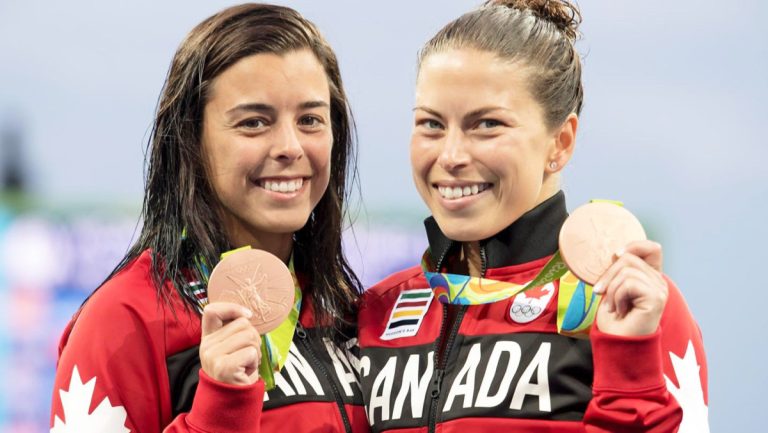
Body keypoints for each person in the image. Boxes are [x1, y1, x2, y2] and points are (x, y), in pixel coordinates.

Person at [357, 1, 709, 432]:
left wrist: (628, 359)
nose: (450, 156)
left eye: (486, 124)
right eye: (431, 124)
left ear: (560, 143)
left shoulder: (627, 306)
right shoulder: (376, 311)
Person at [49, 4, 369, 433]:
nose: (291, 147)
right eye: (254, 122)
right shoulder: (124, 320)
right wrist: (218, 411)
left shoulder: (345, 309)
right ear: (190, 140)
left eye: (310, 119)